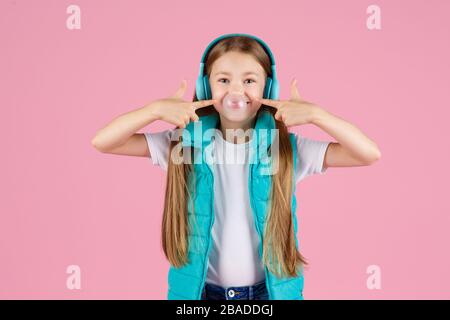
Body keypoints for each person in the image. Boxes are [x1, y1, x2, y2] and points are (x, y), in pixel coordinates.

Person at [91, 34, 381, 300]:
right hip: (200, 294)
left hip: (269, 295)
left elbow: (368, 153)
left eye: (249, 80)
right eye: (224, 80)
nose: (236, 91)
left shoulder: (287, 149)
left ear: (269, 87)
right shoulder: (183, 145)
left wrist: (318, 115)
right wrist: (152, 110)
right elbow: (104, 142)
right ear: (206, 86)